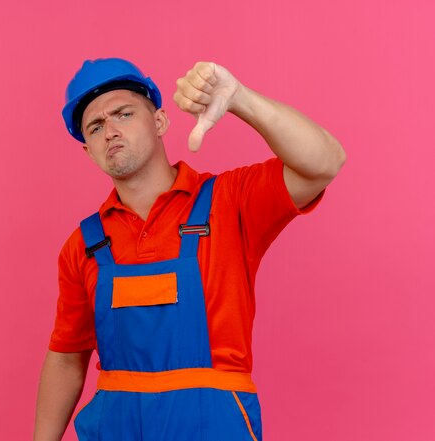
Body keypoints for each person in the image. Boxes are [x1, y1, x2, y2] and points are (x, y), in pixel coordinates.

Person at [34, 58, 346, 441]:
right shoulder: (83, 245)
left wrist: (241, 99)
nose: (110, 131)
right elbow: (67, 359)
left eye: (123, 113)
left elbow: (325, 162)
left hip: (212, 425)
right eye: (95, 126)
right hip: (116, 427)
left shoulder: (230, 202)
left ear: (161, 122)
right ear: (88, 151)